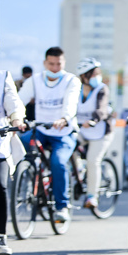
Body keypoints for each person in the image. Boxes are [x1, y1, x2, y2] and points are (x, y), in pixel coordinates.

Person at [18, 46, 81, 222]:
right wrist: (15, 117)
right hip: (41, 129)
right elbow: (20, 100)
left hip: (63, 131)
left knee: (58, 162)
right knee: (20, 142)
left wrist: (64, 118)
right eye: (51, 64)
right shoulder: (35, 80)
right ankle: (29, 176)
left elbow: (71, 103)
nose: (55, 68)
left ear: (64, 62)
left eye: (58, 64)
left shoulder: (71, 80)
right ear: (45, 62)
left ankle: (62, 206)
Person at [0, 36, 26, 255]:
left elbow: (14, 103)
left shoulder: (2, 77)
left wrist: (17, 120)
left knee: (0, 185)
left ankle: (0, 237)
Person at [74, 58, 114, 209]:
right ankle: (78, 169)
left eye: (98, 73)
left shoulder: (102, 89)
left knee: (93, 161)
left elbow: (101, 108)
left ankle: (92, 196)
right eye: (93, 74)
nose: (97, 76)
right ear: (83, 76)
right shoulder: (75, 90)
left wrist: (93, 120)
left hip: (101, 132)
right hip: (81, 130)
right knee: (67, 144)